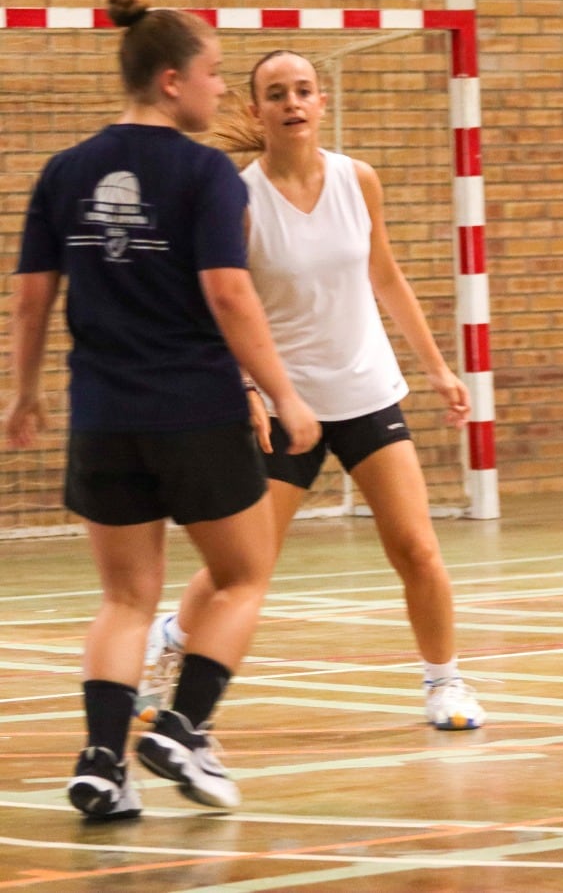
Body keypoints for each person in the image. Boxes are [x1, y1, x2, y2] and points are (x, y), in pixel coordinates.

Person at [5, 0, 322, 818]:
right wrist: (285, 393)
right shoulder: (205, 171)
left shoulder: (65, 171)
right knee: (244, 573)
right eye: (217, 77)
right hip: (195, 411)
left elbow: (31, 299)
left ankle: (103, 764)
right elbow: (229, 293)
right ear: (173, 80)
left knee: (125, 599)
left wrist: (23, 394)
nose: (224, 94)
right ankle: (183, 725)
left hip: (102, 416)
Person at [136, 49, 486, 731]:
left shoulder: (359, 180)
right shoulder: (237, 197)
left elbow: (386, 276)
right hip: (285, 404)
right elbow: (221, 303)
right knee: (245, 563)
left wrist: (439, 367)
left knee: (416, 548)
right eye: (276, 93)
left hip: (366, 391)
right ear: (254, 110)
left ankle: (445, 682)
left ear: (322, 102)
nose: (292, 102)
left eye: (303, 90)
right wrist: (245, 387)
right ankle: (172, 639)